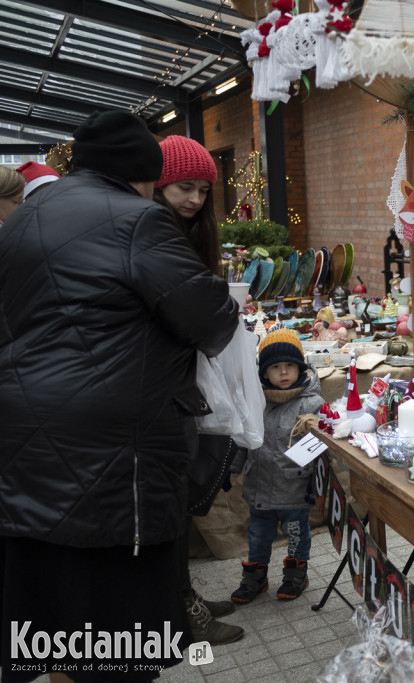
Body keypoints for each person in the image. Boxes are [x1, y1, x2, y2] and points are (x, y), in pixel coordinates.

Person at [0, 110, 239, 681]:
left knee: (54, 609)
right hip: (111, 453)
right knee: (116, 631)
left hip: (25, 444)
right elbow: (213, 319)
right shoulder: (138, 221)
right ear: (142, 174)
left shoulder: (26, 215)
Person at [153, 135, 245, 646]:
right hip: (161, 388)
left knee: (180, 494)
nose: (193, 199)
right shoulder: (155, 234)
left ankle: (181, 599)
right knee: (170, 501)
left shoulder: (184, 234)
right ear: (158, 184)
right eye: (183, 187)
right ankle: (177, 613)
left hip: (179, 381)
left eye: (202, 191)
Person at [230, 328, 323, 604]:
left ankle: (296, 575)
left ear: (300, 369)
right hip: (259, 487)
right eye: (276, 367)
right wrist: (231, 468)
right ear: (264, 373)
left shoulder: (312, 405)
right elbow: (245, 440)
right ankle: (255, 577)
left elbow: (323, 446)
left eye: (290, 366)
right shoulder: (256, 404)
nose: (283, 373)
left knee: (296, 535)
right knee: (258, 536)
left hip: (295, 488)